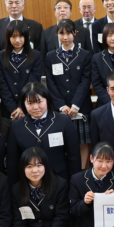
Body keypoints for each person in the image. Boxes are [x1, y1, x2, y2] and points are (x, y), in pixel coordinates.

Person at [7, 82, 81, 184]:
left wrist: (75, 185)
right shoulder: (16, 126)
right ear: (23, 104)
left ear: (47, 100)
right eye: (30, 103)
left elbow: (74, 156)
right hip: (29, 182)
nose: (35, 107)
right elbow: (13, 161)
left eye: (39, 101)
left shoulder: (64, 121)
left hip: (59, 180)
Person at [44, 19, 93, 168]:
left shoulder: (84, 54)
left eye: (68, 33)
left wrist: (75, 105)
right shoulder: (51, 56)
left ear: (75, 33)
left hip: (81, 107)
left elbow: (86, 81)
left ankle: (83, 171)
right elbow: (50, 84)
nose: (65, 37)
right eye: (61, 33)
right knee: (61, 142)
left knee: (83, 142)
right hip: (60, 109)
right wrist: (61, 106)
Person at [0, 20, 42, 120]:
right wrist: (12, 109)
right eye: (13, 36)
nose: (17, 40)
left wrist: (21, 107)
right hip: (7, 108)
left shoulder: (36, 55)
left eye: (21, 36)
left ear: (26, 37)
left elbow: (33, 82)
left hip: (29, 105)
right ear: (8, 38)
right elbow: (2, 85)